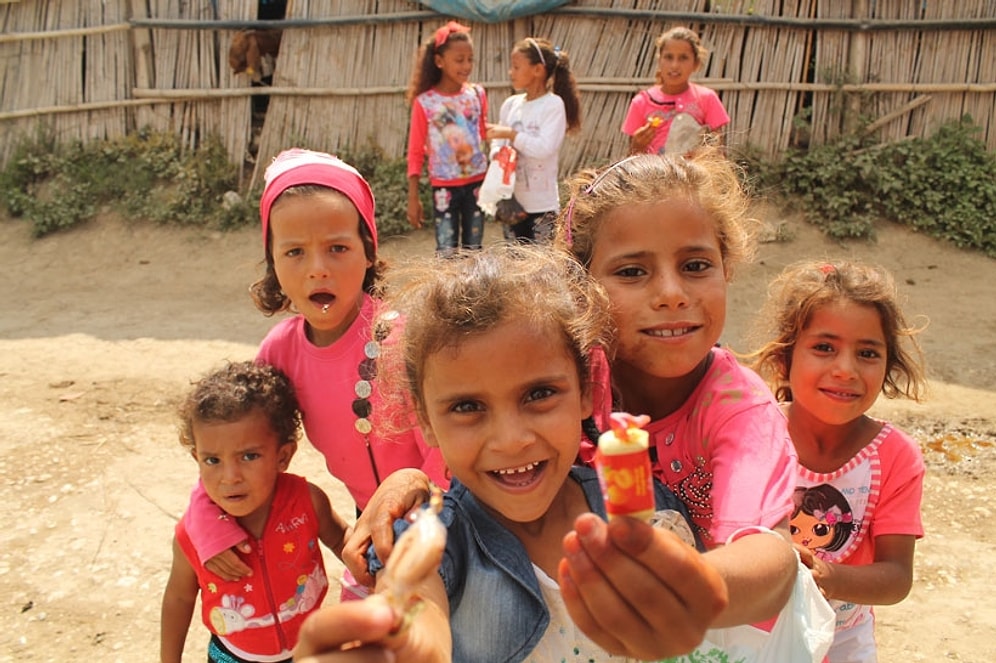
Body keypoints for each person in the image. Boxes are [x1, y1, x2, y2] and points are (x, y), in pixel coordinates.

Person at [342, 151, 800, 656]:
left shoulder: (738, 409)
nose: (671, 294)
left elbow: (771, 557)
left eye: (694, 265)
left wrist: (687, 586)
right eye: (632, 271)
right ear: (583, 290)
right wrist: (406, 483)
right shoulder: (553, 362)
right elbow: (457, 498)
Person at [293, 243, 729, 662]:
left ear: (584, 393)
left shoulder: (643, 503)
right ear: (425, 421)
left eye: (539, 394)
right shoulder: (432, 536)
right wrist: (406, 638)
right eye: (467, 407)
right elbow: (413, 592)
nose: (511, 439)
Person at [183, 148, 448, 586]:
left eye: (337, 248)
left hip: (445, 509)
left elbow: (448, 443)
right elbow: (231, 435)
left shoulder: (407, 339)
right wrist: (205, 516)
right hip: (373, 522)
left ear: (368, 252)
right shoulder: (279, 353)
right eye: (294, 253)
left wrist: (418, 524)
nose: (317, 269)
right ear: (273, 262)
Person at [749, 259, 927, 663]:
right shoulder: (754, 433)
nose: (845, 370)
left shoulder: (896, 456)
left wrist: (826, 577)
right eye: (824, 347)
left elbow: (897, 577)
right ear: (784, 360)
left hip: (843, 639)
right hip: (753, 631)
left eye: (867, 353)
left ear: (887, 368)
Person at [160, 360, 351, 663]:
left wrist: (383, 577)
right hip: (231, 657)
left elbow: (343, 542)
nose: (230, 476)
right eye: (212, 461)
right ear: (197, 458)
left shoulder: (307, 502)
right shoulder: (191, 537)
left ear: (283, 456)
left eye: (249, 456)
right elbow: (179, 597)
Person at [485, 37, 581, 243]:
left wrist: (511, 134)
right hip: (511, 201)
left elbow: (544, 148)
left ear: (538, 70)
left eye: (516, 67)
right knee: (514, 265)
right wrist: (498, 153)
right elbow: (498, 144)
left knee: (541, 268)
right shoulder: (510, 105)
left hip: (542, 206)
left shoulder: (553, 105)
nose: (511, 72)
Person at [406, 20, 489, 256]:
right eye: (459, 60)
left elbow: (483, 134)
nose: (466, 66)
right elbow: (415, 150)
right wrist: (413, 197)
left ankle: (473, 295)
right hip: (444, 187)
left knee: (474, 251)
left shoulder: (477, 94)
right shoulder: (426, 103)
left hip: (477, 184)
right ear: (440, 61)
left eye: (470, 59)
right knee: (446, 252)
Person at [621, 27, 729, 156]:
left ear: (696, 63)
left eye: (683, 58)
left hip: (694, 175)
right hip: (653, 175)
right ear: (659, 60)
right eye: (668, 57)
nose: (674, 65)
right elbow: (630, 159)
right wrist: (638, 146)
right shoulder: (641, 102)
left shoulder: (706, 98)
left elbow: (718, 151)